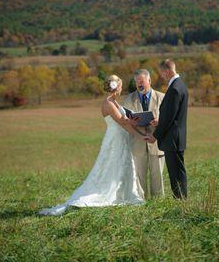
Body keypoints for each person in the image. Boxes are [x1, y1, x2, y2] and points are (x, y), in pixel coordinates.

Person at [39, 75, 144, 216]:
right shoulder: (108, 103)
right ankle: (103, 195)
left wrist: (140, 133)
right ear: (116, 87)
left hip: (122, 138)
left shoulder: (115, 102)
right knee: (110, 166)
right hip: (114, 140)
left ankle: (124, 194)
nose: (121, 88)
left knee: (123, 165)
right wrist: (137, 124)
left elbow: (125, 122)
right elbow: (122, 121)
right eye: (120, 85)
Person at [145, 60, 188, 199]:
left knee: (176, 173)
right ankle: (181, 200)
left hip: (172, 139)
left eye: (162, 73)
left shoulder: (174, 89)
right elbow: (172, 115)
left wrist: (155, 135)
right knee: (178, 171)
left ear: (168, 71)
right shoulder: (181, 85)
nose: (162, 76)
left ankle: (180, 201)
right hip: (177, 137)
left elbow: (169, 118)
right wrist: (160, 121)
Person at [122, 69, 165, 199]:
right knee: (139, 175)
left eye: (142, 81)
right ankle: (140, 202)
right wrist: (131, 122)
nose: (139, 84)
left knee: (157, 175)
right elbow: (125, 122)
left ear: (149, 81)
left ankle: (158, 204)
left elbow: (169, 120)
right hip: (137, 143)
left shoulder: (162, 97)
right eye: (137, 82)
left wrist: (159, 122)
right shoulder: (128, 99)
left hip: (157, 142)